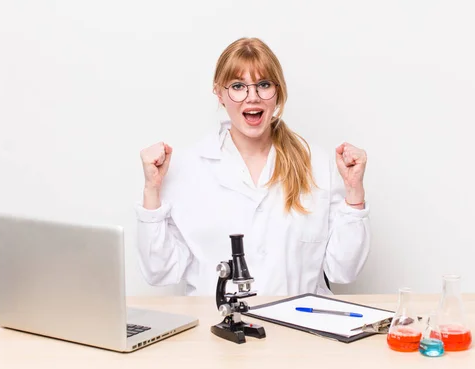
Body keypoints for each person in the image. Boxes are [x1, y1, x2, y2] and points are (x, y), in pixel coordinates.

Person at [135, 37, 370, 296]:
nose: (252, 98)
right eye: (238, 86)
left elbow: (343, 271)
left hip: (298, 329)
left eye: (264, 85)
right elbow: (160, 271)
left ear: (278, 91)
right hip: (216, 330)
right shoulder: (187, 167)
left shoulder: (316, 164)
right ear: (220, 93)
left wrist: (354, 193)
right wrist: (151, 191)